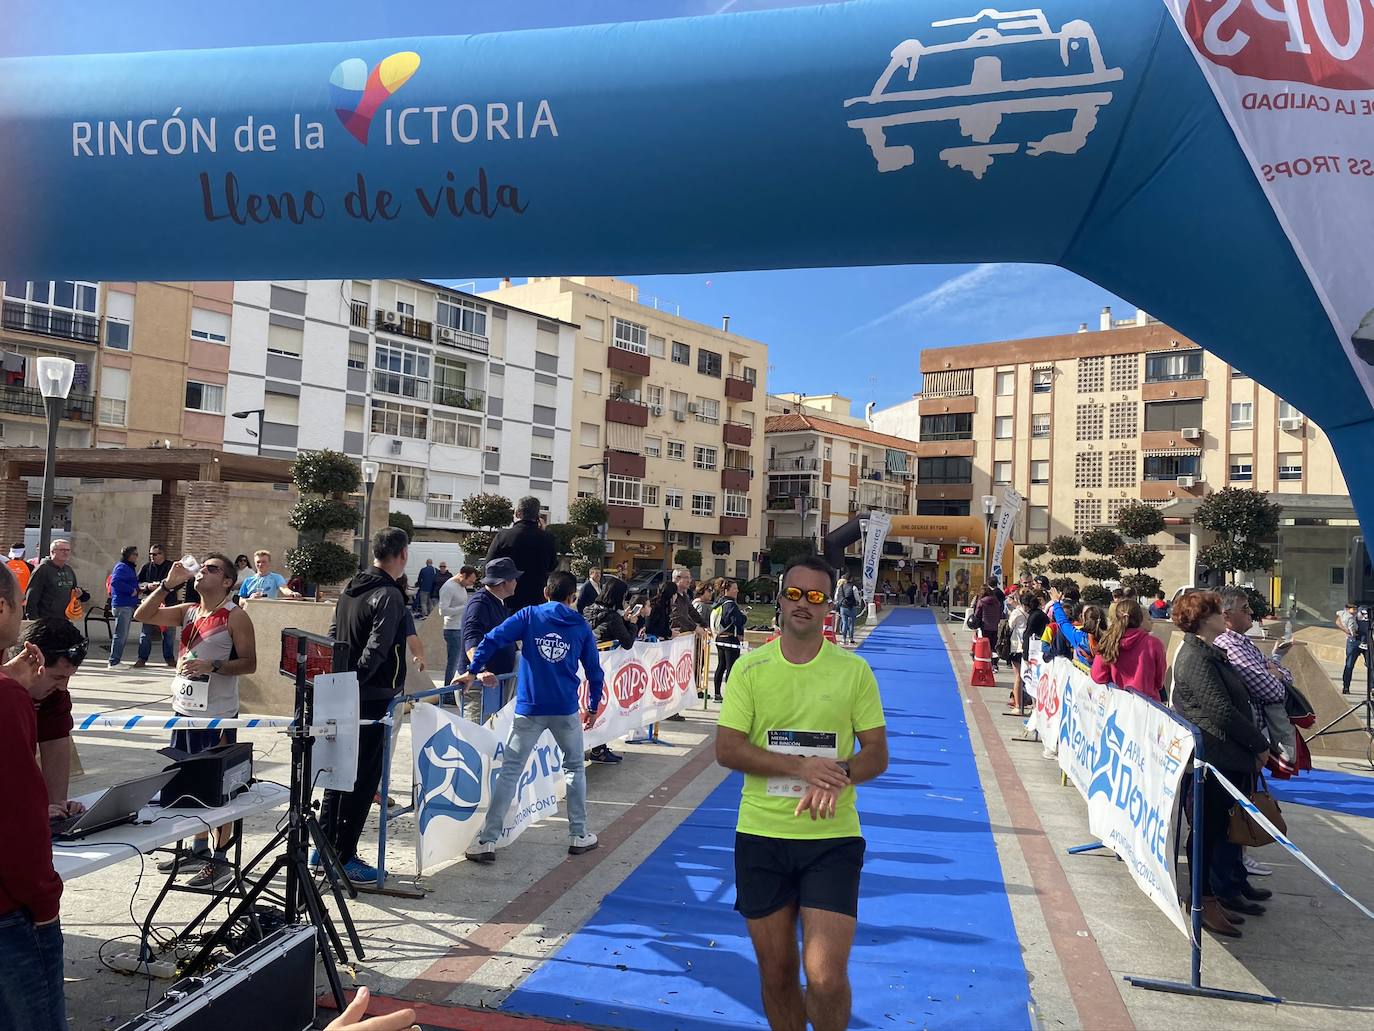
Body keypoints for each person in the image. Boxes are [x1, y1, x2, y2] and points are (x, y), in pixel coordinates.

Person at [716, 556, 888, 1031]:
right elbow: (727, 749)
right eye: (794, 594)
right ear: (779, 597)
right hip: (761, 836)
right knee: (778, 972)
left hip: (831, 839)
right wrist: (802, 767)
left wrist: (842, 772)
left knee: (825, 976)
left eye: (814, 597)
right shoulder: (751, 669)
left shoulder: (854, 672)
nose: (803, 604)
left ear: (829, 606)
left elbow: (876, 753)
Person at [459, 571, 606, 863]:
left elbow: (491, 639)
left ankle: (488, 839)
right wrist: (591, 706)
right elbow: (594, 671)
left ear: (545, 592)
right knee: (575, 768)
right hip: (565, 707)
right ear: (572, 597)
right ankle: (579, 834)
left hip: (529, 707)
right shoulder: (580, 625)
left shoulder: (528, 616)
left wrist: (473, 670)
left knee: (510, 771)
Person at [136, 552, 257, 889]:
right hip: (183, 712)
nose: (203, 572)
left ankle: (220, 860)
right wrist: (166, 584)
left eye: (212, 569)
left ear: (228, 581)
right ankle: (197, 849)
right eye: (202, 567)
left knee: (219, 788)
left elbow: (249, 663)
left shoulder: (235, 616)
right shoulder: (189, 610)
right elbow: (141, 614)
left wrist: (213, 667)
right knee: (188, 782)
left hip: (217, 716)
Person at [1170, 591, 1270, 938]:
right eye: (1216, 612)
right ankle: (1203, 899)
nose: (1222, 617)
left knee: (1220, 831)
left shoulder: (1209, 652)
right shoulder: (1197, 658)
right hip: (1214, 759)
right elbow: (1221, 711)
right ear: (1204, 618)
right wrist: (1259, 743)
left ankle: (1217, 894)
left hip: (1227, 757)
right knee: (1207, 832)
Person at [319, 528, 410, 884]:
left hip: (343, 691)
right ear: (401, 554)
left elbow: (331, 636)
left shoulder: (349, 589)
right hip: (369, 696)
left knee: (337, 773)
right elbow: (378, 647)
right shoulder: (389, 594)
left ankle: (324, 846)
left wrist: (339, 681)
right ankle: (343, 857)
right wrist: (355, 682)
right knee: (361, 777)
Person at [0, 561, 68, 1031]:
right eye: (19, 607)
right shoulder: (7, 700)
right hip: (10, 915)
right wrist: (45, 904)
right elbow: (17, 823)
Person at [1216, 586, 1299, 774]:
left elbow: (1275, 673)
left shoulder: (1242, 642)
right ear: (1226, 615)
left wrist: (1276, 662)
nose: (1251, 613)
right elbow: (1273, 691)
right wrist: (1277, 675)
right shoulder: (1230, 645)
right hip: (1245, 742)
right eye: (1245, 609)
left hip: (1252, 739)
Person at [16, 618, 89, 819]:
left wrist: (58, 807)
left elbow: (55, 746)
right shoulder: (7, 694)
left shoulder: (55, 696)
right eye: (57, 677)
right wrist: (24, 809)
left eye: (69, 677)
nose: (63, 687)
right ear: (32, 661)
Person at [460, 558, 521, 722]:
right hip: (479, 687)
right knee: (476, 736)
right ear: (503, 582)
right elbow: (471, 638)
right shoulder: (480, 603)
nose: (516, 582)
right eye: (513, 578)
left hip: (493, 684)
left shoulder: (497, 602)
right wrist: (479, 670)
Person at [486, 496, 558, 613]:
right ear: (537, 516)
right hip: (537, 599)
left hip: (508, 598)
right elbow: (552, 566)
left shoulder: (503, 536)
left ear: (518, 513)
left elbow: (489, 565)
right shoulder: (548, 538)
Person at [1090, 598, 1166, 702]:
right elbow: (1159, 682)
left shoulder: (1109, 642)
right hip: (1149, 708)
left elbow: (1098, 676)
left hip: (1121, 704)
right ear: (1140, 618)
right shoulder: (1154, 644)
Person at [134, 544, 177, 668]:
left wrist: (164, 587)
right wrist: (147, 586)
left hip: (168, 604)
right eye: (150, 554)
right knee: (146, 633)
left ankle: (169, 658)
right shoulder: (146, 567)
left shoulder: (170, 567)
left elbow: (178, 582)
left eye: (155, 554)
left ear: (162, 554)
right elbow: (138, 582)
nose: (152, 556)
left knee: (169, 633)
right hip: (150, 603)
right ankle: (142, 658)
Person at [25, 539, 85, 622]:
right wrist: (33, 619)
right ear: (52, 552)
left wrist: (78, 594)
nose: (66, 552)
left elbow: (73, 590)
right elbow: (32, 595)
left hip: (65, 618)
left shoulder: (69, 570)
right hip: (45, 619)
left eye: (68, 550)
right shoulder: (42, 569)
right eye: (62, 550)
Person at [439, 564, 479, 690]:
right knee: (454, 663)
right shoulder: (448, 587)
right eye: (470, 581)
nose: (470, 584)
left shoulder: (460, 586)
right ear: (462, 575)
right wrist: (465, 608)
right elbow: (443, 610)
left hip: (459, 628)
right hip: (452, 629)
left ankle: (451, 690)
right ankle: (448, 692)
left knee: (457, 662)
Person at [710, 578, 747, 702]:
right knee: (731, 667)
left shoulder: (719, 602)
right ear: (727, 590)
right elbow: (737, 621)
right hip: (730, 639)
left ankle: (717, 693)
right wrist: (743, 621)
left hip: (720, 637)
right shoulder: (731, 604)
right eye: (734, 588)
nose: (737, 590)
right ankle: (730, 695)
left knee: (721, 665)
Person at [106, 545, 140, 666]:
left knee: (122, 634)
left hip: (125, 604)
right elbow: (115, 581)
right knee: (120, 635)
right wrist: (131, 590)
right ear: (129, 556)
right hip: (122, 605)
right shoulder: (122, 567)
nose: (137, 557)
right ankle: (114, 661)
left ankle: (116, 660)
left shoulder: (128, 567)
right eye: (135, 554)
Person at [1337, 600, 1367, 695]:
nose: (1355, 610)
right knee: (1349, 665)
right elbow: (1338, 621)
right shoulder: (1347, 613)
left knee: (1371, 665)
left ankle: (1373, 688)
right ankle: (1346, 687)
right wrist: (1346, 630)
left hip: (1366, 640)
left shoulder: (1369, 611)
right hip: (1353, 641)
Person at [1007, 591, 1029, 713]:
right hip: (1029, 647)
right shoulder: (1032, 612)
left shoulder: (1017, 612)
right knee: (1030, 677)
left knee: (1018, 677)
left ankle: (1018, 706)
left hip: (1017, 646)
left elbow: (1010, 625)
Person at [835, 576, 861, 646]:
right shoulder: (854, 587)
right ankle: (851, 639)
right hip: (852, 607)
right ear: (851, 579)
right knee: (852, 623)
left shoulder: (840, 587)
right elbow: (857, 597)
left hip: (843, 607)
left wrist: (838, 603)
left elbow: (836, 596)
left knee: (844, 622)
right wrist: (858, 603)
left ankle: (843, 639)